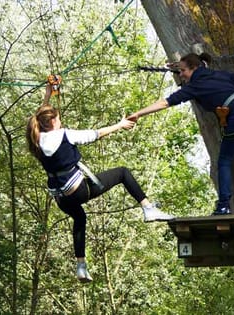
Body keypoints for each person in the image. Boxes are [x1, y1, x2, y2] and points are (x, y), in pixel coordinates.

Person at [27, 80, 174, 283]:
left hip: (61, 198)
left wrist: (48, 93)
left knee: (79, 219)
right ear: (53, 122)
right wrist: (121, 125)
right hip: (77, 190)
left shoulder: (36, 139)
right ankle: (148, 208)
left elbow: (39, 116)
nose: (60, 121)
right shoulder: (64, 135)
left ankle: (81, 266)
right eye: (58, 119)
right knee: (122, 173)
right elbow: (96, 134)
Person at [128, 53, 234, 216]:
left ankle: (223, 206)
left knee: (224, 161)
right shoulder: (220, 75)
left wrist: (138, 113)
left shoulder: (195, 86)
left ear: (194, 68)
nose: (181, 75)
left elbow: (165, 102)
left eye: (182, 71)